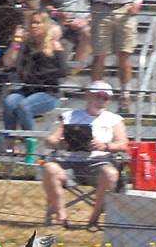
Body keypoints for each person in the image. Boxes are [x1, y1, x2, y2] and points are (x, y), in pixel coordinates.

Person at [41, 80, 128, 230]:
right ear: (88, 95)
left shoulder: (114, 120)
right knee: (49, 168)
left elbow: (123, 144)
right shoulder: (70, 116)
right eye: (98, 96)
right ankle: (61, 218)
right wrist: (61, 143)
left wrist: (105, 146)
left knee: (111, 174)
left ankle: (94, 220)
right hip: (69, 161)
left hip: (98, 163)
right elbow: (50, 140)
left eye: (106, 97)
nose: (101, 100)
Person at [0, 10, 69, 132]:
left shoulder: (54, 45)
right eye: (32, 23)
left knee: (24, 106)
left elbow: (64, 71)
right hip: (28, 90)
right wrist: (16, 41)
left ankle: (29, 140)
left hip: (48, 93)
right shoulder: (26, 45)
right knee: (9, 102)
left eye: (37, 23)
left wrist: (37, 75)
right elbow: (7, 62)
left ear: (45, 25)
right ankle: (10, 138)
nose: (33, 26)